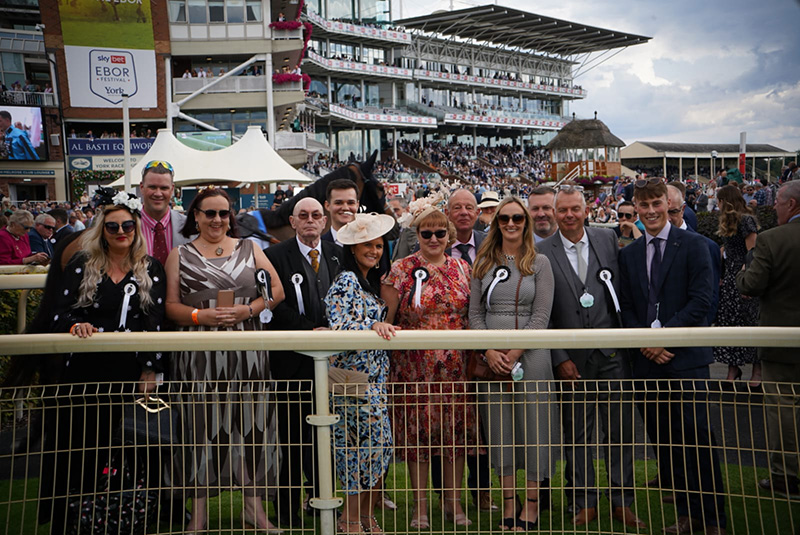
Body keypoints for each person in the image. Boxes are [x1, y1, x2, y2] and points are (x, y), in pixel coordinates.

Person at [40, 188, 166, 534]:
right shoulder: (82, 265)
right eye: (113, 227)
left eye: (127, 226)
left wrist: (150, 368)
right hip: (84, 373)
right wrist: (73, 324)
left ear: (137, 229)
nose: (121, 232)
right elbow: (57, 313)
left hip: (129, 376)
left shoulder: (151, 268)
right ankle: (72, 523)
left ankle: (125, 522)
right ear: (102, 229)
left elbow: (156, 321)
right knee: (79, 452)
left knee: (129, 456)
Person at [165, 187, 285, 534]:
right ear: (196, 216)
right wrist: (201, 317)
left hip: (247, 352)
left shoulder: (251, 248)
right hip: (199, 354)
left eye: (223, 213)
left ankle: (255, 509)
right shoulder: (180, 254)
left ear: (230, 216)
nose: (217, 220)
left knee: (253, 426)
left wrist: (249, 309)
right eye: (209, 213)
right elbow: (171, 307)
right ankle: (198, 513)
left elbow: (275, 291)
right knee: (199, 427)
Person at [618, 178, 726, 535]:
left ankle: (713, 521)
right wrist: (646, 342)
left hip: (685, 359)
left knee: (697, 442)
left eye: (656, 204)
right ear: (635, 206)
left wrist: (666, 339)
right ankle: (686, 515)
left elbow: (701, 301)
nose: (650, 211)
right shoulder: (629, 253)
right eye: (643, 205)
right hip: (647, 363)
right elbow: (628, 307)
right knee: (666, 445)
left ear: (668, 203)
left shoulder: (695, 245)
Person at [538, 185, 644, 529]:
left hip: (612, 354)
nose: (569, 215)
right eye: (562, 210)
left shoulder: (606, 241)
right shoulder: (542, 252)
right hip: (572, 362)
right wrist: (560, 357)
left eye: (575, 209)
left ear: (587, 211)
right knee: (577, 435)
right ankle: (583, 501)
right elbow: (544, 311)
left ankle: (622, 501)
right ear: (554, 214)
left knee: (619, 431)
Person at [382, 204, 475, 529]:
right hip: (413, 368)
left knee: (455, 438)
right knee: (417, 439)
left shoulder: (464, 268)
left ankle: (454, 503)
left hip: (454, 368)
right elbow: (386, 318)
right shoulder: (399, 269)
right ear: (417, 235)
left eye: (440, 232)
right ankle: (419, 508)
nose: (434, 238)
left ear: (449, 235)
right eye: (426, 233)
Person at [469, 196, 556, 531]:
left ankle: (531, 506)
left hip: (531, 357)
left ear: (526, 222)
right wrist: (490, 349)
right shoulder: (482, 263)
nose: (510, 224)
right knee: (500, 432)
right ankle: (509, 504)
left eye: (517, 218)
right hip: (491, 359)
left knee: (535, 430)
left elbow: (542, 316)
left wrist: (515, 351)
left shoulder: (541, 264)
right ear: (496, 223)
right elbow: (475, 315)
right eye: (504, 218)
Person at [265, 197, 342, 528]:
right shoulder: (273, 257)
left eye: (316, 216)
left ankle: (323, 499)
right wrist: (310, 331)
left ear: (324, 222)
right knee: (292, 440)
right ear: (293, 222)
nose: (310, 220)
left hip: (332, 363)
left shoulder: (340, 256)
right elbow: (272, 308)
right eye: (303, 216)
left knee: (326, 438)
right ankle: (285, 510)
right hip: (291, 363)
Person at [324, 212, 397, 534]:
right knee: (356, 449)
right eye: (367, 245)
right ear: (353, 249)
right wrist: (373, 324)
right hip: (350, 378)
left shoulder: (366, 281)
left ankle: (364, 516)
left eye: (379, 245)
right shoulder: (346, 281)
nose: (374, 250)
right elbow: (339, 324)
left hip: (372, 377)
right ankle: (350, 520)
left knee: (376, 447)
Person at [736, 180, 800, 497]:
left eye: (776, 202)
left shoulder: (772, 239)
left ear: (791, 204)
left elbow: (750, 284)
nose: (773, 206)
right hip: (783, 341)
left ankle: (786, 477)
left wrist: (741, 271)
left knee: (784, 409)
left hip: (782, 344)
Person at [713, 185, 761, 385]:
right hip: (730, 275)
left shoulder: (747, 220)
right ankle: (733, 369)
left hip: (743, 275)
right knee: (729, 322)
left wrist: (746, 279)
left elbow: (753, 251)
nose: (717, 204)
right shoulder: (728, 221)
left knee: (749, 323)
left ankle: (756, 371)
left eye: (719, 200)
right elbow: (728, 248)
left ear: (725, 201)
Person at [138, 160, 192, 266]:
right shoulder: (126, 226)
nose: (158, 194)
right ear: (142, 188)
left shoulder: (189, 226)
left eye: (164, 188)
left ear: (172, 189)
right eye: (152, 187)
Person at [322, 178, 359, 246]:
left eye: (350, 203)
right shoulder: (318, 245)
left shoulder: (368, 243)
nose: (345, 208)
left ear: (357, 205)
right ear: (327, 205)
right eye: (338, 203)